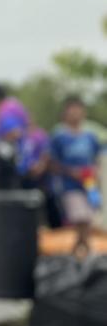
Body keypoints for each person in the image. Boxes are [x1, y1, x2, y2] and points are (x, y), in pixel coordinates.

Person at [49, 96, 101, 258]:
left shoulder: (90, 136)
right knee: (80, 218)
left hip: (89, 185)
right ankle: (85, 252)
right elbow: (52, 163)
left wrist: (94, 172)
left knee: (88, 219)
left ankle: (80, 252)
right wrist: (71, 172)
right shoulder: (59, 136)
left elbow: (96, 158)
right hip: (69, 186)